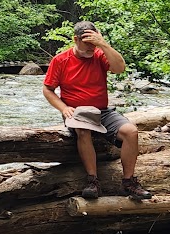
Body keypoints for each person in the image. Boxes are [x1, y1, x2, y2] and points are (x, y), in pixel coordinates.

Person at [42, 20, 152, 200]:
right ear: (75, 39)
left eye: (94, 44)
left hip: (102, 111)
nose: (91, 49)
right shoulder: (61, 60)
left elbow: (119, 68)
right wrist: (63, 108)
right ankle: (92, 181)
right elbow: (47, 89)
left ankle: (129, 182)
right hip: (76, 112)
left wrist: (103, 44)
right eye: (87, 44)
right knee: (83, 130)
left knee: (131, 132)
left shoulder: (100, 54)